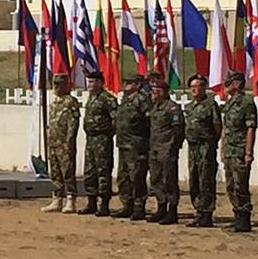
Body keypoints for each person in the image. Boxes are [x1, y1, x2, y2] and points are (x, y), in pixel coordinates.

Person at [221, 70, 258, 233]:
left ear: (236, 84)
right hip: (229, 150)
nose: (225, 87)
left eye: (228, 83)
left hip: (240, 150)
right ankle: (237, 215)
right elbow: (225, 128)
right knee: (230, 185)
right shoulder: (229, 104)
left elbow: (250, 127)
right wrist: (222, 148)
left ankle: (244, 218)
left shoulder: (246, 103)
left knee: (240, 185)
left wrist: (248, 152)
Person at [184, 73, 222, 228]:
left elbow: (217, 127)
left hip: (206, 146)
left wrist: (212, 143)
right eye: (192, 87)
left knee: (206, 179)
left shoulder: (211, 105)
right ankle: (198, 211)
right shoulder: (189, 107)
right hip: (193, 147)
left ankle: (206, 213)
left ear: (204, 88)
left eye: (198, 86)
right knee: (194, 180)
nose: (195, 90)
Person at [40, 73, 81, 214]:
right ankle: (57, 199)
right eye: (55, 84)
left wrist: (69, 142)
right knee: (55, 172)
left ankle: (70, 200)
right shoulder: (54, 103)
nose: (56, 87)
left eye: (59, 85)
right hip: (53, 143)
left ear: (65, 85)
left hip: (64, 144)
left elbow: (73, 124)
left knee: (67, 172)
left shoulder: (70, 102)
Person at [79, 71, 118, 216]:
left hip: (102, 140)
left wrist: (107, 135)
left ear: (100, 83)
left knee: (103, 171)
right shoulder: (91, 98)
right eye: (88, 82)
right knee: (90, 172)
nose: (89, 85)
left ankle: (104, 205)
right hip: (90, 139)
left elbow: (115, 120)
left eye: (92, 82)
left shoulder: (107, 99)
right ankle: (91, 203)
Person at [112, 74, 151, 220]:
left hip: (136, 146)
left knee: (137, 177)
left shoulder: (142, 100)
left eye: (129, 83)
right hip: (123, 144)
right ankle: (127, 205)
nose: (125, 85)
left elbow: (149, 121)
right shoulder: (125, 100)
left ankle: (139, 207)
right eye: (125, 82)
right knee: (123, 177)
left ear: (137, 84)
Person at [147, 79, 185, 224]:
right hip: (155, 149)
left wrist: (173, 147)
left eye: (156, 90)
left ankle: (172, 211)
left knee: (169, 180)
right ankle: (161, 207)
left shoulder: (172, 108)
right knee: (156, 180)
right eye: (152, 90)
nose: (153, 92)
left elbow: (178, 129)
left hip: (167, 149)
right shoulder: (155, 107)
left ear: (163, 91)